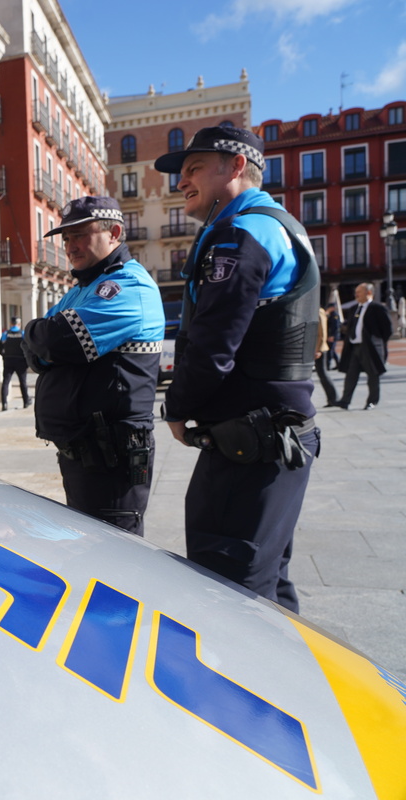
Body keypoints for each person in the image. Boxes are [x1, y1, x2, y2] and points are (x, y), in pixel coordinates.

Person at [155, 125, 320, 612]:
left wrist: (178, 408)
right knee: (267, 586)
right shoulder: (279, 222)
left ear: (237, 166)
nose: (181, 181)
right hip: (276, 436)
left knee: (230, 592)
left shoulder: (241, 233)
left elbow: (213, 343)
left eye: (194, 169)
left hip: (253, 442)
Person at [21, 196, 163, 536]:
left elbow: (57, 341)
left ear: (114, 232)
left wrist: (38, 335)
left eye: (80, 235)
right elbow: (36, 352)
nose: (70, 246)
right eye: (66, 238)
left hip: (111, 461)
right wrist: (37, 337)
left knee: (118, 563)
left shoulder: (128, 285)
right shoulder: (82, 288)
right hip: (83, 455)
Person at [336, 282, 392, 410]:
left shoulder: (378, 308)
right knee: (351, 375)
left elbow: (387, 330)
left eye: (359, 292)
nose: (356, 294)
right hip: (355, 347)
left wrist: (377, 342)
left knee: (373, 376)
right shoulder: (353, 308)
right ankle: (345, 401)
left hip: (370, 348)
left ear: (369, 293)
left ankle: (372, 401)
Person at [0, 318, 30, 411]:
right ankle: (25, 402)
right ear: (19, 324)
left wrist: (5, 356)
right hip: (21, 361)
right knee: (23, 382)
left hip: (8, 361)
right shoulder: (23, 334)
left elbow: (0, 349)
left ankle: (4, 404)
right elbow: (28, 347)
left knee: (6, 382)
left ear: (11, 323)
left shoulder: (5, 334)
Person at [314, 306, 338, 407]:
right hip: (312, 348)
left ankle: (333, 398)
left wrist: (318, 349)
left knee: (323, 373)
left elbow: (323, 332)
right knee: (321, 374)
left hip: (319, 349)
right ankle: (332, 399)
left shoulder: (319, 311)